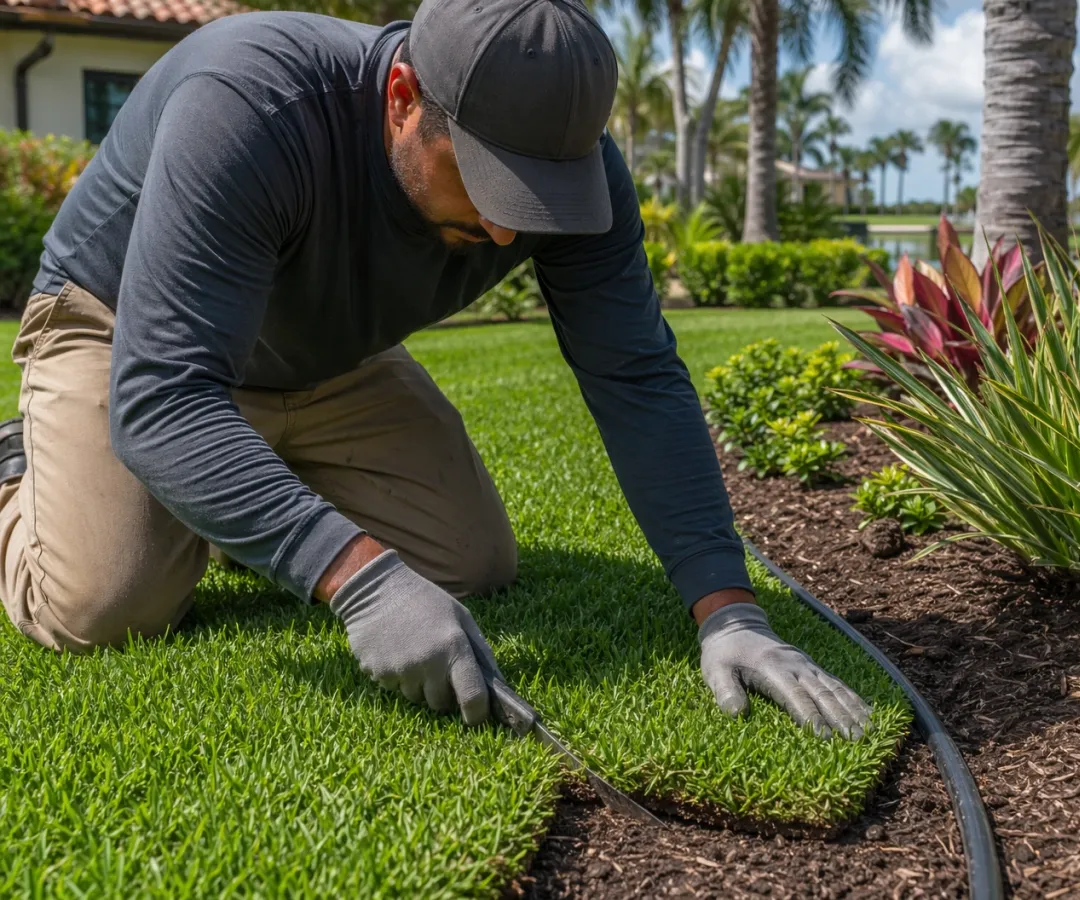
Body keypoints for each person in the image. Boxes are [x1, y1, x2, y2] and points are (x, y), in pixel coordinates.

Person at [0, 0, 871, 740]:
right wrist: (353, 575)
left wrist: (729, 608)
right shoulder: (251, 100)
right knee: (101, 609)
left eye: (538, 196)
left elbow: (635, 375)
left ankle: (225, 494)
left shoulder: (583, 176)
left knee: (470, 561)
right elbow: (163, 397)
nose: (506, 234)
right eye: (490, 182)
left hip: (326, 358)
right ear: (404, 96)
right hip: (126, 335)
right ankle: (20, 472)